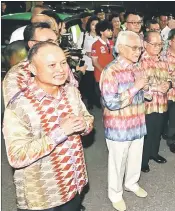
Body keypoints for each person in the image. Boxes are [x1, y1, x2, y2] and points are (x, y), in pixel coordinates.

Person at [3, 41, 94, 211]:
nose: (60, 70)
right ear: (33, 69)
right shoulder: (19, 106)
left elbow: (88, 119)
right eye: (51, 65)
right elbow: (16, 156)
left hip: (73, 184)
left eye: (63, 63)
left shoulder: (71, 92)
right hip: (43, 195)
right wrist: (61, 132)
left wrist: (84, 125)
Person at [99, 31, 150, 211]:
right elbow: (111, 102)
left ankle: (132, 183)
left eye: (140, 48)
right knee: (117, 162)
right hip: (118, 126)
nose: (139, 52)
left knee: (135, 157)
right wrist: (136, 87)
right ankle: (115, 193)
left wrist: (147, 91)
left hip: (137, 122)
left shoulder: (137, 67)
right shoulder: (110, 71)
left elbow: (142, 90)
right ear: (120, 48)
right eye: (134, 48)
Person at [3, 23, 83, 108]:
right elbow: (17, 109)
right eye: (49, 42)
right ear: (32, 44)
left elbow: (76, 98)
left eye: (56, 41)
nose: (55, 45)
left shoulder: (62, 64)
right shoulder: (17, 75)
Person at [140, 31, 171, 173]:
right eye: (154, 44)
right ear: (145, 44)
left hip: (162, 103)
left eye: (160, 44)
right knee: (147, 133)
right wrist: (156, 88)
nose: (158, 47)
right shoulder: (140, 62)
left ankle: (154, 153)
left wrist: (168, 85)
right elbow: (139, 84)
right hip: (147, 105)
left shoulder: (163, 61)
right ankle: (143, 160)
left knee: (157, 130)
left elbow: (169, 78)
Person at [77, 16, 100, 110]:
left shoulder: (101, 36)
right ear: (89, 25)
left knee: (97, 84)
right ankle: (90, 102)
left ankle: (97, 101)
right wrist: (86, 52)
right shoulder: (84, 35)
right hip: (87, 64)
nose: (95, 27)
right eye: (93, 24)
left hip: (98, 64)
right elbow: (78, 49)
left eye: (97, 25)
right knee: (89, 84)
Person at [91, 20, 115, 107]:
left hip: (112, 74)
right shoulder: (96, 45)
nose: (111, 32)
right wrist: (105, 72)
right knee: (103, 97)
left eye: (111, 30)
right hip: (100, 75)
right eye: (108, 30)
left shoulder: (112, 43)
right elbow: (95, 62)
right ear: (101, 32)